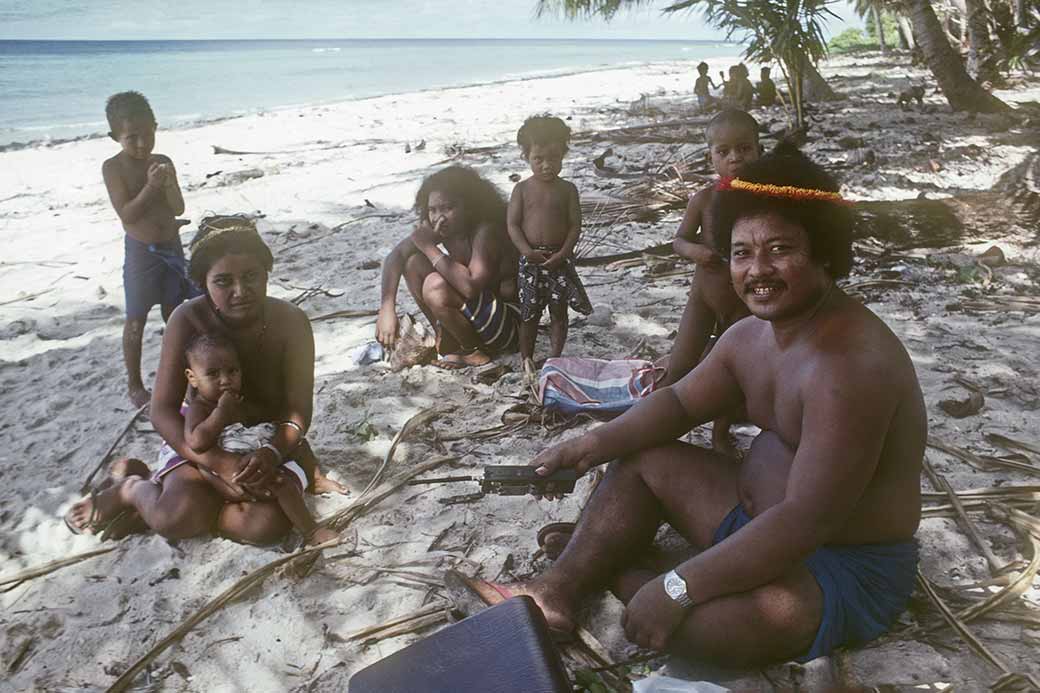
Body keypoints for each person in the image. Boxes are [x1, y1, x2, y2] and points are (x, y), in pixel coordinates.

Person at [449, 144, 926, 668]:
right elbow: (676, 403)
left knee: (709, 634)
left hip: (842, 563)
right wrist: (587, 445)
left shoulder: (849, 367)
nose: (757, 270)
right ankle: (556, 591)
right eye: (741, 252)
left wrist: (678, 586)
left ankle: (622, 569)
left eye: (779, 249)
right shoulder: (750, 335)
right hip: (750, 519)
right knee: (643, 456)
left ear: (824, 253)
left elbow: (807, 520)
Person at [65, 216, 346, 543]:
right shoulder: (187, 319)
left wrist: (271, 451)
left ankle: (182, 509)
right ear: (203, 282)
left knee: (264, 527)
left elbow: (299, 410)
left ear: (267, 273)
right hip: (201, 443)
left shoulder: (291, 322)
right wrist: (219, 462)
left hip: (267, 445)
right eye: (224, 281)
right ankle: (131, 490)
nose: (241, 291)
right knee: (177, 517)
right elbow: (162, 411)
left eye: (252, 276)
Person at [180, 332, 336, 546]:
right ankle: (311, 532)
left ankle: (315, 479)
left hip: (248, 453)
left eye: (232, 371)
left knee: (298, 442)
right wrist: (221, 412)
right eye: (213, 374)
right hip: (228, 473)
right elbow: (197, 441)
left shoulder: (236, 398)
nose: (225, 380)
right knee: (282, 484)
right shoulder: (199, 408)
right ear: (192, 378)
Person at [666, 110, 761, 455]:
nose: (734, 158)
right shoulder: (704, 199)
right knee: (680, 363)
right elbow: (677, 241)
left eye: (744, 149)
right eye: (724, 151)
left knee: (729, 369)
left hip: (743, 303)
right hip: (703, 295)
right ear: (711, 156)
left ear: (758, 150)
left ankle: (720, 435)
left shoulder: (763, 199)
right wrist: (697, 252)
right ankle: (662, 424)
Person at [102, 91, 200, 408]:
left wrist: (167, 184)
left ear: (156, 127)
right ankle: (134, 384)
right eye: (132, 138)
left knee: (176, 313)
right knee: (136, 319)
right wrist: (150, 187)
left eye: (147, 135)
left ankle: (182, 375)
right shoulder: (113, 168)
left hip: (171, 248)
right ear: (115, 136)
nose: (142, 144)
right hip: (142, 253)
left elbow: (177, 206)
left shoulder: (163, 162)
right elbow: (127, 214)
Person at [376, 166, 520, 369]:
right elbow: (396, 256)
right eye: (432, 210)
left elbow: (471, 287)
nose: (438, 217)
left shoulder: (486, 232)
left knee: (434, 285)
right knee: (413, 263)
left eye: (447, 208)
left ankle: (472, 351)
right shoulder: (447, 228)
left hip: (508, 328)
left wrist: (428, 246)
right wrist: (387, 308)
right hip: (482, 318)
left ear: (469, 207)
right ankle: (449, 338)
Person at [507, 115, 593, 381]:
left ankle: (556, 356)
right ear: (526, 157)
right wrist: (526, 251)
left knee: (559, 311)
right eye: (538, 159)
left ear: (563, 155)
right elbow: (512, 224)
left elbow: (574, 226)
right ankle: (527, 360)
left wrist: (563, 254)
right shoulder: (521, 189)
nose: (546, 165)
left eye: (554, 158)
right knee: (529, 314)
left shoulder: (567, 189)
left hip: (559, 258)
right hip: (531, 260)